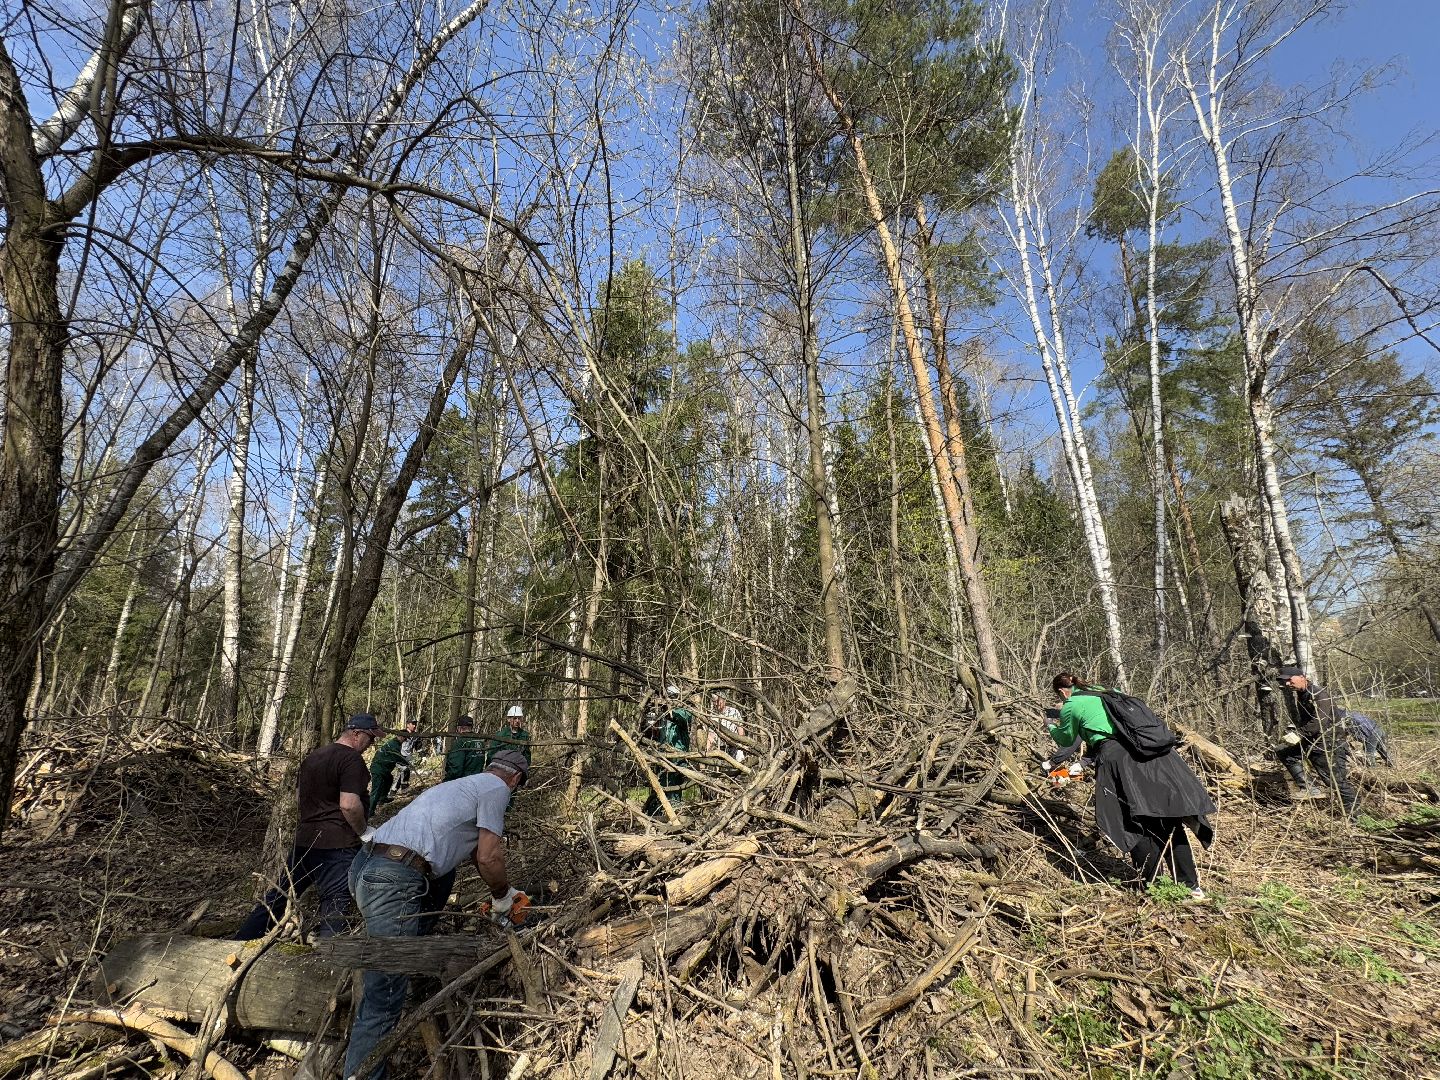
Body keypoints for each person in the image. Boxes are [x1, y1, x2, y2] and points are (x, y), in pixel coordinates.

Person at [342, 750, 531, 1080]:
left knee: (442, 878)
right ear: (515, 779)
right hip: (393, 879)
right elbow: (488, 857)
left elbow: (471, 849)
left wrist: (500, 888)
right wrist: (503, 896)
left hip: (366, 865)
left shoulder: (463, 786)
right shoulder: (498, 790)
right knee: (383, 996)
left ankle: (414, 981)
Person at [1049, 672, 1216, 899]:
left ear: (1061, 691)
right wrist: (1081, 763)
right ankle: (1190, 886)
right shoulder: (1108, 692)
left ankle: (1153, 888)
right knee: (1169, 820)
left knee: (1133, 821)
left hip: (1121, 763)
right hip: (1157, 759)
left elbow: (1066, 740)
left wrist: (1050, 723)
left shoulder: (1072, 704)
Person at [234, 713, 377, 940]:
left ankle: (241, 942)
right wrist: (363, 831)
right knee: (334, 904)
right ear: (356, 733)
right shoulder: (351, 760)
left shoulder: (314, 757)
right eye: (371, 738)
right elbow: (349, 805)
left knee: (279, 897)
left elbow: (301, 796)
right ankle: (328, 965)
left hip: (305, 842)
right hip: (336, 846)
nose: (371, 745)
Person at [1276, 666, 1358, 814]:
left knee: (1336, 782)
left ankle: (1355, 816)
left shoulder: (1319, 695)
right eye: (1285, 681)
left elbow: (1318, 723)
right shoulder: (1302, 694)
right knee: (1284, 751)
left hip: (1329, 743)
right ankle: (1309, 788)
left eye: (1290, 679)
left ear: (1302, 677)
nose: (1287, 684)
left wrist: (1298, 734)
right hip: (1313, 740)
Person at [642, 686, 693, 816]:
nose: (667, 699)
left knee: (674, 789)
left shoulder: (683, 711)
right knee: (658, 785)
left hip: (677, 755)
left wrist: (669, 711)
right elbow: (653, 732)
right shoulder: (661, 714)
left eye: (670, 697)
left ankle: (673, 815)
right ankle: (656, 814)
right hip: (661, 754)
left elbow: (681, 719)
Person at [368, 723, 412, 814]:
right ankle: (370, 811)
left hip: (384, 769)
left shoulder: (396, 744)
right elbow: (398, 758)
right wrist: (407, 763)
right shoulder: (394, 745)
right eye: (404, 738)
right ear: (400, 736)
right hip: (379, 769)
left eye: (405, 739)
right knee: (376, 790)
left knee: (389, 778)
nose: (404, 740)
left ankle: (382, 798)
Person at [442, 715, 485, 781]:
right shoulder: (480, 740)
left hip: (463, 782)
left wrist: (446, 780)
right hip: (478, 780)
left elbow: (456, 769)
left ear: (459, 728)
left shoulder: (460, 742)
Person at [708, 693, 746, 763]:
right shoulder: (712, 716)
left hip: (735, 746)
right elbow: (711, 735)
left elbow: (740, 730)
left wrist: (740, 744)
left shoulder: (734, 712)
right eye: (714, 702)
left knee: (740, 761)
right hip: (720, 748)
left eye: (718, 701)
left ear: (724, 701)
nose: (716, 704)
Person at [395, 719, 423, 793]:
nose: (414, 725)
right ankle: (397, 789)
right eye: (412, 724)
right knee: (404, 770)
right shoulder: (402, 733)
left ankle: (399, 789)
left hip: (409, 756)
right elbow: (395, 744)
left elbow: (418, 747)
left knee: (407, 772)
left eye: (415, 724)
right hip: (400, 756)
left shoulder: (416, 735)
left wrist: (422, 756)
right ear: (408, 725)